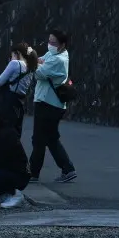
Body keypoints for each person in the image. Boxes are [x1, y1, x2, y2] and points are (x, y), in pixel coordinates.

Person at [30, 29, 77, 184]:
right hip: (50, 103)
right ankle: (68, 169)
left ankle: (33, 172)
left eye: (53, 42)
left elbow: (39, 73)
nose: (49, 44)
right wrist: (38, 61)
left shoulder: (59, 59)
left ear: (62, 44)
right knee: (50, 138)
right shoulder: (55, 55)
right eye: (48, 41)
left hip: (48, 104)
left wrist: (35, 61)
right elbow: (41, 60)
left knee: (39, 139)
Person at [0, 42, 37, 130]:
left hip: (9, 103)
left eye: (12, 56)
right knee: (15, 132)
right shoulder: (30, 67)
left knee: (4, 131)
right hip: (20, 103)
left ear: (18, 53)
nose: (11, 59)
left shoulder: (16, 63)